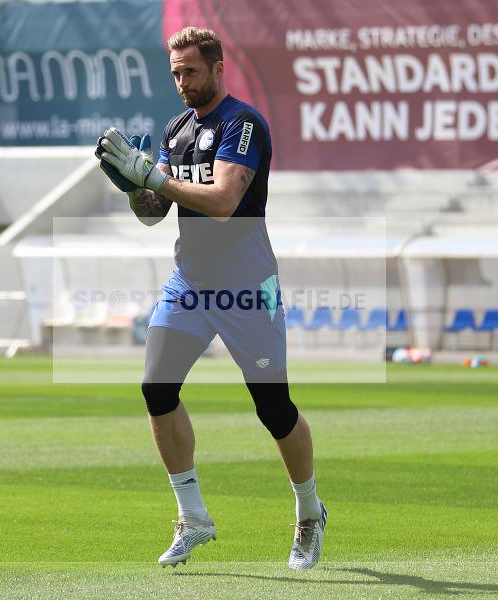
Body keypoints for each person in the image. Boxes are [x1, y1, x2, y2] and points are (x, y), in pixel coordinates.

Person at [96, 27, 326, 570]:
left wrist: (151, 174)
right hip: (191, 283)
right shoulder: (176, 128)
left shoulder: (242, 123)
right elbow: (156, 212)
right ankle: (193, 515)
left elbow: (223, 200)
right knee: (157, 387)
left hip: (247, 286)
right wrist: (134, 188)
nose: (181, 83)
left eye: (190, 72)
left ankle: (310, 510)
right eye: (175, 73)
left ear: (218, 68)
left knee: (273, 409)